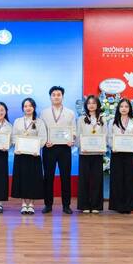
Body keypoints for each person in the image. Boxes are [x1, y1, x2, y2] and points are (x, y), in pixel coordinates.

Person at [42, 85, 77, 215]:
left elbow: (73, 130)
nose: (56, 97)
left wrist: (72, 139)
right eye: (54, 95)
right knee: (48, 177)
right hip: (49, 148)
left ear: (62, 96)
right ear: (50, 97)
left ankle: (66, 205)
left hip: (64, 148)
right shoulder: (44, 113)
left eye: (59, 95)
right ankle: (48, 205)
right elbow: (42, 131)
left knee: (65, 177)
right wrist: (45, 141)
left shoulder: (70, 113)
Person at [11, 97, 47, 214]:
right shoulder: (17, 121)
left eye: (30, 106)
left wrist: (37, 148)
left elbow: (43, 138)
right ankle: (23, 203)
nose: (28, 108)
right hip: (21, 154)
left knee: (33, 179)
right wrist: (17, 146)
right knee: (22, 178)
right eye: (25, 106)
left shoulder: (39, 122)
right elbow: (13, 137)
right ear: (23, 108)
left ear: (34, 107)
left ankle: (31, 204)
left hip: (34, 155)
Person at [107, 98, 133, 214]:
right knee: (117, 180)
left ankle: (129, 206)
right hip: (117, 154)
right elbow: (109, 138)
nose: (124, 109)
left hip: (130, 155)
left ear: (129, 108)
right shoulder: (112, 122)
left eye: (126, 106)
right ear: (118, 108)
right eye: (121, 106)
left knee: (130, 180)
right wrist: (113, 147)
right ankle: (118, 206)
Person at [77, 95, 106, 214]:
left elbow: (105, 135)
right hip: (84, 153)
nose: (91, 105)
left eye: (94, 103)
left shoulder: (103, 119)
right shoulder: (81, 119)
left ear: (97, 105)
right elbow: (78, 135)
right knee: (84, 179)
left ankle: (96, 205)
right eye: (89, 103)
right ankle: (84, 205)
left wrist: (103, 147)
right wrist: (81, 147)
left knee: (97, 179)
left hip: (97, 153)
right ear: (86, 105)